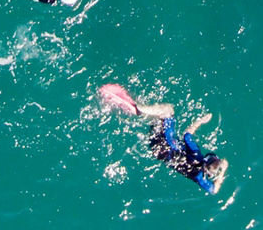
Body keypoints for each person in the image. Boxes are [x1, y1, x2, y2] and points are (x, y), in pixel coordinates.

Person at [98, 83, 228, 195]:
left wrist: (201, 121)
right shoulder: (199, 178)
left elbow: (187, 134)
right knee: (156, 121)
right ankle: (139, 111)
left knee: (168, 112)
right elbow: (214, 190)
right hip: (159, 153)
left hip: (165, 142)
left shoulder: (195, 154)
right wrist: (222, 172)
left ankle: (139, 109)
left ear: (207, 159)